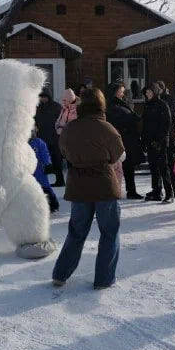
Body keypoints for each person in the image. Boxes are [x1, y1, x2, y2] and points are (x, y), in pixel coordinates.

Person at [52, 88, 125, 289]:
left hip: (79, 184)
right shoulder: (107, 128)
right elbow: (117, 155)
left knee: (76, 232)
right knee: (109, 233)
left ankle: (60, 274)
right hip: (104, 185)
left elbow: (64, 151)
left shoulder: (70, 128)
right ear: (102, 105)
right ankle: (104, 279)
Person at [105, 82, 144, 200]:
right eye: (121, 90)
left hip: (128, 138)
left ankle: (131, 190)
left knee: (128, 167)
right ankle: (116, 191)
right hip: (121, 139)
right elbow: (113, 122)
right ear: (115, 91)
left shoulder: (121, 103)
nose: (123, 93)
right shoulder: (111, 105)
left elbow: (130, 116)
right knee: (120, 168)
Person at [142, 83, 174, 203]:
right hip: (150, 141)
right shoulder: (147, 105)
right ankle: (156, 191)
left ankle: (169, 193)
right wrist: (144, 140)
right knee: (153, 168)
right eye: (146, 92)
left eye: (150, 92)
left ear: (155, 92)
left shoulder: (162, 105)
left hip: (160, 142)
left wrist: (160, 141)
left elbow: (167, 124)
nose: (148, 94)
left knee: (163, 167)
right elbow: (145, 125)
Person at [35, 88, 65, 187]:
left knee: (57, 160)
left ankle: (60, 180)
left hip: (55, 138)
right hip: (42, 138)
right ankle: (43, 181)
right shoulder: (37, 108)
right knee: (43, 161)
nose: (43, 99)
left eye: (45, 97)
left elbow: (62, 120)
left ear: (49, 97)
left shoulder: (56, 107)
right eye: (41, 97)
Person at [156, 80, 175, 196]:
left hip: (168, 136)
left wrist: (166, 127)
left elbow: (174, 116)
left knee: (169, 162)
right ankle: (160, 188)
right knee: (161, 163)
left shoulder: (169, 99)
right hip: (160, 136)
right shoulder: (155, 100)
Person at [29, 125, 60, 213]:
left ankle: (52, 204)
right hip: (26, 171)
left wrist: (47, 164)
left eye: (32, 131)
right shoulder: (22, 144)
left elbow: (45, 153)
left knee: (45, 186)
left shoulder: (38, 142)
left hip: (38, 170)